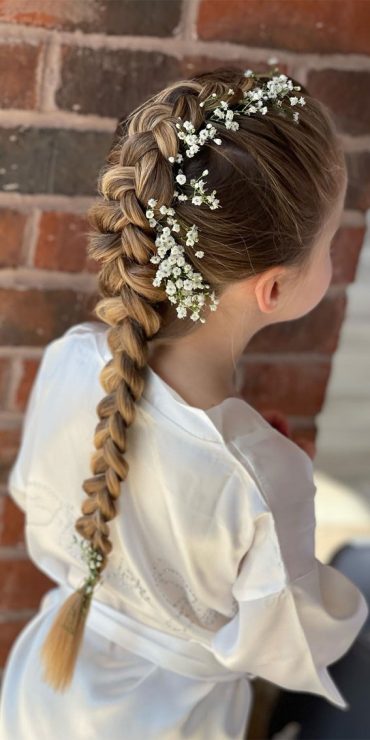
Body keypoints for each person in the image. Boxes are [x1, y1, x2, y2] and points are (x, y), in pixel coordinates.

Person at [0, 66, 368, 740]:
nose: (339, 263)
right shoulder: (266, 479)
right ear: (275, 290)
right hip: (170, 723)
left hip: (46, 693)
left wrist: (259, 470)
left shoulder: (74, 359)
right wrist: (279, 490)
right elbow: (296, 647)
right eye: (332, 245)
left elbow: (39, 498)